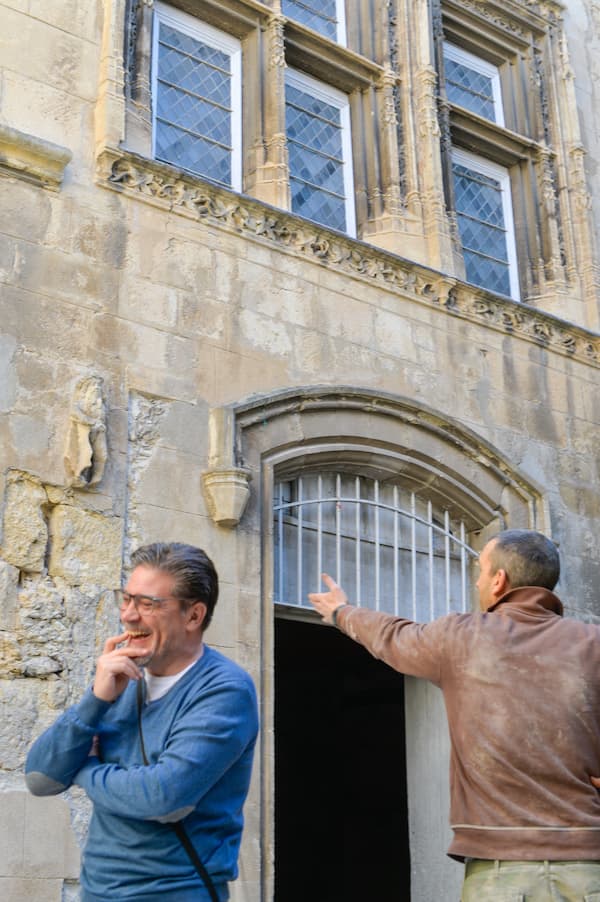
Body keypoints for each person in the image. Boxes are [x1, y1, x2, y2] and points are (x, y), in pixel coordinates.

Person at [309, 529, 600, 901]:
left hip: (501, 873)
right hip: (588, 868)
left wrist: (340, 612)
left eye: (480, 570)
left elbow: (393, 636)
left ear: (499, 581)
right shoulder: (592, 643)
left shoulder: (462, 636)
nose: (476, 581)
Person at [26, 542, 258, 902]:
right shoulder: (118, 676)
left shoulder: (225, 690)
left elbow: (162, 798)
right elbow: (40, 778)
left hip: (177, 893)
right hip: (97, 893)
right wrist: (95, 701)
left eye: (147, 604)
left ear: (193, 616)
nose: (129, 616)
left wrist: (84, 768)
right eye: (127, 599)